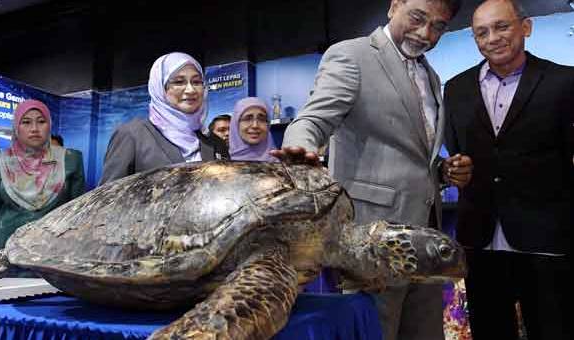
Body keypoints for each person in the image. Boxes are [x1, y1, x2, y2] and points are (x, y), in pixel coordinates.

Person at [271, 1, 472, 339]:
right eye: (418, 18)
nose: (425, 34)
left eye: (438, 26)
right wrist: (302, 149)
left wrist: (442, 171)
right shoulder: (352, 56)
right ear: (395, 6)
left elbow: (410, 154)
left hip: (424, 242)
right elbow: (313, 119)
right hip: (371, 243)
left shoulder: (431, 76)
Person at [444, 1, 571, 339]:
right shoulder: (455, 89)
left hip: (546, 242)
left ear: (525, 27)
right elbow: (454, 155)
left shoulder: (564, 82)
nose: (492, 38)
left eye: (502, 26)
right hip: (479, 241)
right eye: (481, 33)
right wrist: (452, 171)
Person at [0, 99, 85, 258]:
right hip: (6, 251)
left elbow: (79, 216)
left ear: (49, 125)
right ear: (16, 127)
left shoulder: (70, 160)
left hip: (55, 254)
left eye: (41, 122)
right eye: (26, 122)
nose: (34, 129)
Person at [99, 52, 221, 184]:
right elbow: (107, 198)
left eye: (196, 82)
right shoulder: (133, 135)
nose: (190, 90)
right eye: (179, 82)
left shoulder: (213, 141)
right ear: (160, 87)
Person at [229, 97, 277, 162]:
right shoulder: (220, 164)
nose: (255, 125)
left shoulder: (281, 165)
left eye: (261, 119)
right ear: (235, 124)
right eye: (247, 119)